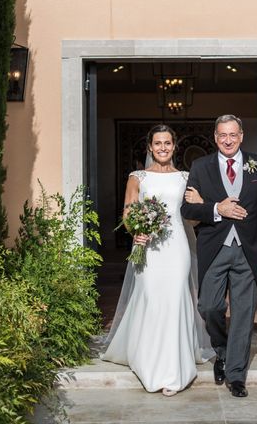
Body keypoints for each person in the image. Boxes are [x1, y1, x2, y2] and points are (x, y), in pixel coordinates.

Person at [102, 124, 213, 396]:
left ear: (174, 146)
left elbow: (193, 219)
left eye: (167, 143)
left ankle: (174, 369)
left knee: (176, 299)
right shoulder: (137, 177)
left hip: (177, 248)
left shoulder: (186, 177)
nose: (162, 148)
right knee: (151, 298)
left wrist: (199, 202)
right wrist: (136, 232)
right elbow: (128, 211)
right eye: (157, 143)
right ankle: (148, 362)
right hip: (149, 249)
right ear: (150, 147)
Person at [180, 114, 257, 398]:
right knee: (209, 306)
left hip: (249, 249)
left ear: (241, 136)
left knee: (244, 313)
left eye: (233, 135)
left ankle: (236, 376)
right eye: (222, 135)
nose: (227, 140)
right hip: (215, 248)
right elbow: (186, 210)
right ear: (214, 137)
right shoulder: (201, 167)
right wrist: (216, 209)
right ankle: (221, 350)